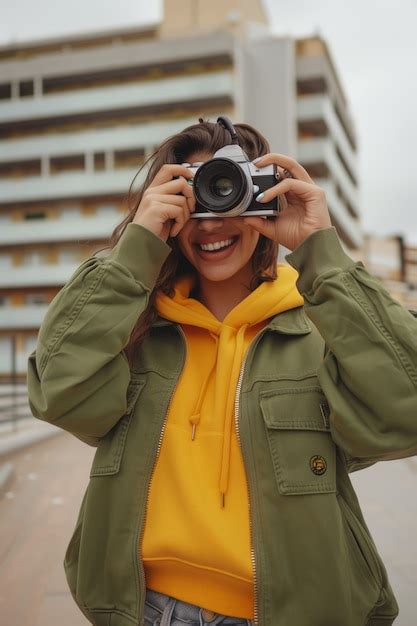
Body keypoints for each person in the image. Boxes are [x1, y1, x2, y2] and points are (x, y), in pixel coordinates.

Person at [26, 117, 417, 626]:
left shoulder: (322, 328)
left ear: (267, 198)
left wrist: (322, 252)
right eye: (195, 198)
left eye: (229, 192)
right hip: (144, 610)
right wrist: (135, 251)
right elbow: (55, 392)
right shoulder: (134, 331)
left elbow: (408, 411)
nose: (210, 222)